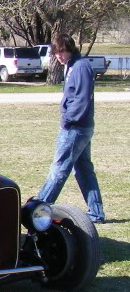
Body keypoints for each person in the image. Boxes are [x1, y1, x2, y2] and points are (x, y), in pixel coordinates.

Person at [37, 32, 105, 223]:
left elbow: (81, 100)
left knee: (59, 168)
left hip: (76, 129)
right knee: (83, 169)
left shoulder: (81, 67)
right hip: (81, 127)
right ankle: (96, 212)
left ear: (70, 49)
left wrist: (67, 120)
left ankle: (39, 206)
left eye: (62, 52)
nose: (59, 56)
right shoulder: (72, 66)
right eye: (57, 53)